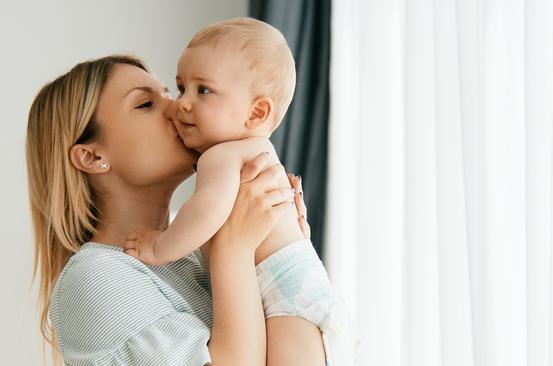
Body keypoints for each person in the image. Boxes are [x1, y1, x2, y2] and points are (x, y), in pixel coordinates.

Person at [26, 54, 327, 365]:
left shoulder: (194, 251)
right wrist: (236, 248)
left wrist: (283, 251)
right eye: (145, 104)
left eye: (171, 92)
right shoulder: (94, 278)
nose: (179, 107)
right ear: (91, 157)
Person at [122, 18, 357, 365]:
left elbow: (205, 212)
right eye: (181, 86)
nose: (181, 104)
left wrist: (159, 247)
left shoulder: (222, 156)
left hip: (288, 300)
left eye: (203, 90)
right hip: (304, 295)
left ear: (256, 111)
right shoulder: (255, 152)